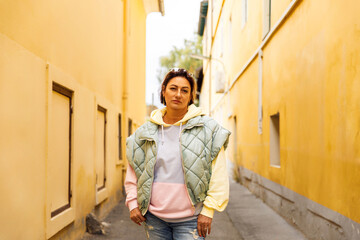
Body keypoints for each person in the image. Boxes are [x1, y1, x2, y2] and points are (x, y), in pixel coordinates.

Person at [125, 68, 231, 240]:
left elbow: (218, 173)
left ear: (191, 97)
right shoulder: (145, 132)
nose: (178, 94)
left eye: (185, 90)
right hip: (154, 218)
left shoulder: (208, 129)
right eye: (173, 88)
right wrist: (132, 203)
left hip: (191, 219)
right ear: (164, 91)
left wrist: (208, 210)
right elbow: (133, 169)